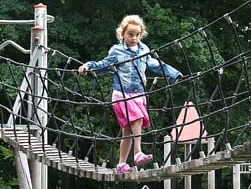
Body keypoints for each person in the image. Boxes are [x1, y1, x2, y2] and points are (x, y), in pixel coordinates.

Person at [78, 15, 183, 174]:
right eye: (130, 34)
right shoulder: (117, 50)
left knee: (127, 130)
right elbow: (104, 65)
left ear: (141, 34)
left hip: (139, 94)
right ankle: (138, 153)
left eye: (137, 34)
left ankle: (121, 164)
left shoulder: (144, 49)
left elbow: (154, 65)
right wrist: (88, 66)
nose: (134, 38)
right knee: (138, 119)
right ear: (122, 34)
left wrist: (173, 73)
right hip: (122, 94)